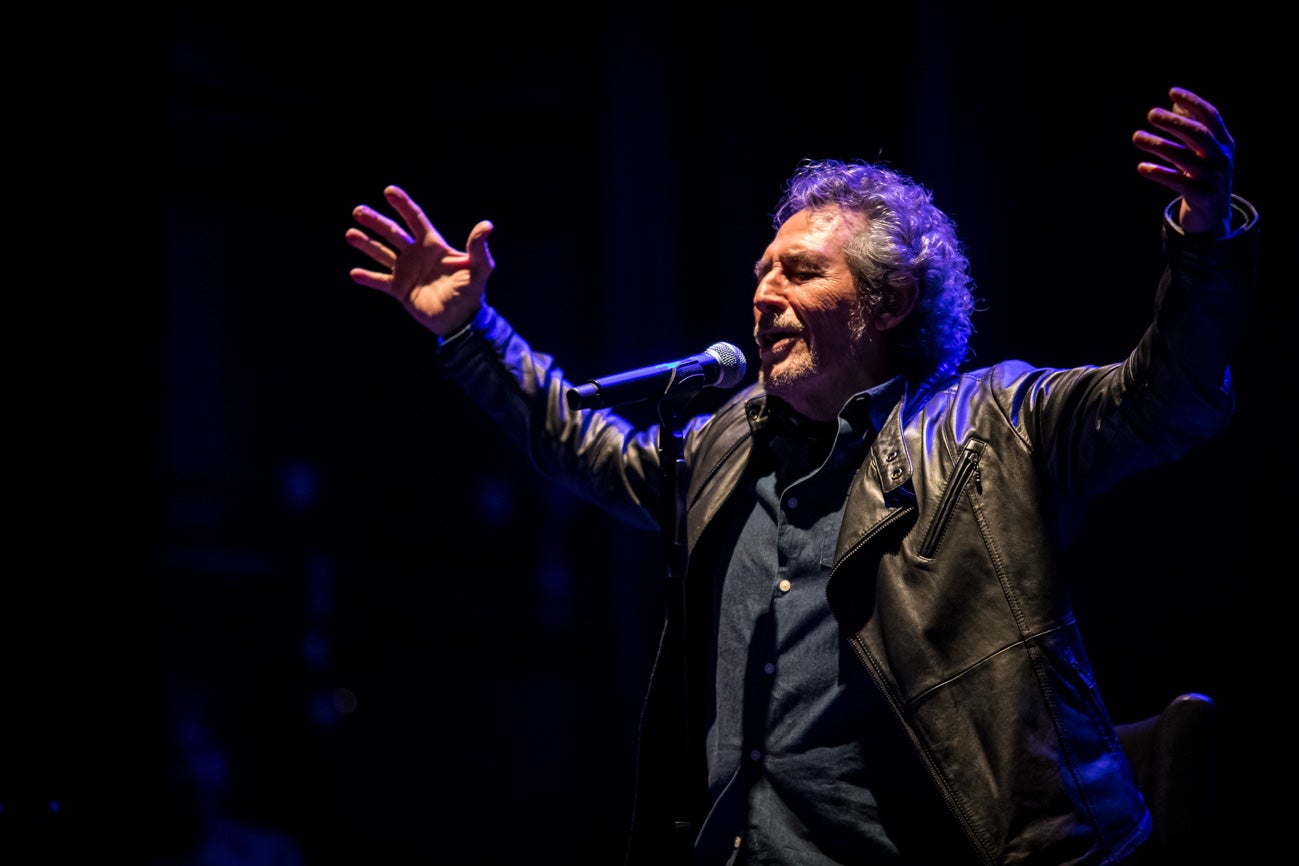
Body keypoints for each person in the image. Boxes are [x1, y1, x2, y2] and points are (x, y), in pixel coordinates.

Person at [344, 86, 1259, 865]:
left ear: (888, 300)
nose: (762, 293)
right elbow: (575, 438)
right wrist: (469, 331)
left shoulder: (994, 427)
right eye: (760, 271)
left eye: (798, 270)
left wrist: (1202, 235)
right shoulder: (724, 444)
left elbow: (1167, 397)